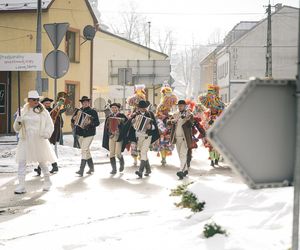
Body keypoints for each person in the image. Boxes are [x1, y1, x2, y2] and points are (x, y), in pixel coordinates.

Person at [13, 90, 56, 194]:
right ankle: (21, 186)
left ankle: (48, 181)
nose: (36, 101)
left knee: (42, 162)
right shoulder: (22, 111)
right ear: (29, 100)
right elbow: (16, 128)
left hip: (39, 139)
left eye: (37, 99)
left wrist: (46, 133)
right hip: (25, 140)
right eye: (33, 100)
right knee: (22, 162)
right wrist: (18, 120)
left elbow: (50, 125)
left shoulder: (43, 111)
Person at [128, 100, 159, 178]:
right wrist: (132, 122)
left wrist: (150, 127)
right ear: (138, 108)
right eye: (141, 108)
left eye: (144, 108)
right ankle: (148, 170)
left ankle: (140, 171)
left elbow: (155, 126)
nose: (143, 109)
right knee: (142, 153)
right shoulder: (135, 114)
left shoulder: (150, 114)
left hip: (147, 136)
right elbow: (131, 126)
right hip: (138, 136)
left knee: (143, 153)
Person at [71, 96, 100, 176]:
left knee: (84, 150)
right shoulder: (78, 111)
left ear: (89, 103)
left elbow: (97, 123)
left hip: (89, 133)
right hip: (80, 134)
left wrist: (90, 122)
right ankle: (91, 168)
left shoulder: (93, 112)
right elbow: (73, 120)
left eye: (86, 102)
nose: (85, 103)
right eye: (83, 102)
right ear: (82, 103)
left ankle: (81, 170)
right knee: (86, 151)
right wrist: (73, 118)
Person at [34, 97, 61, 175]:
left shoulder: (53, 111)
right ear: (43, 104)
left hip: (48, 133)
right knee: (46, 151)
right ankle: (54, 166)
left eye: (49, 103)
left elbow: (56, 122)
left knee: (45, 151)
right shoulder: (40, 111)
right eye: (46, 103)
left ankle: (41, 168)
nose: (48, 105)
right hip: (42, 133)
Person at [169, 100, 194, 180]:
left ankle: (181, 171)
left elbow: (191, 124)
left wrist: (187, 119)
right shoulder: (175, 114)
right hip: (177, 138)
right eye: (179, 106)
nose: (180, 107)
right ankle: (185, 170)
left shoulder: (189, 114)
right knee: (180, 155)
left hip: (185, 139)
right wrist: (172, 121)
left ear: (185, 106)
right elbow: (168, 122)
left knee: (183, 154)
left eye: (181, 106)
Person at [102, 103, 128, 174]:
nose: (114, 109)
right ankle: (114, 169)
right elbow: (106, 127)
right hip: (111, 137)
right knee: (111, 153)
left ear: (118, 108)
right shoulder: (109, 117)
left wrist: (120, 125)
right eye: (112, 108)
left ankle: (121, 162)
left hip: (119, 137)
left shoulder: (122, 116)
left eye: (115, 108)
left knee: (118, 153)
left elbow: (127, 126)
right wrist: (109, 133)